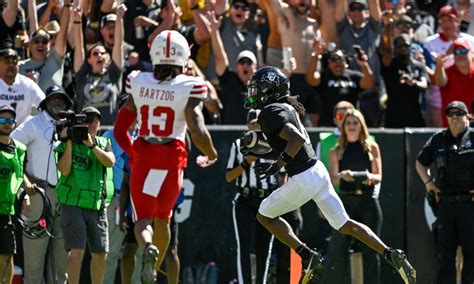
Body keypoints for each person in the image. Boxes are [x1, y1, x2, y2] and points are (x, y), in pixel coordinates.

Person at [244, 66, 415, 284]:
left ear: (271, 90)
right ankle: (391, 253)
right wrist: (268, 152)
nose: (254, 93)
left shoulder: (270, 112)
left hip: (303, 177)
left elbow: (295, 139)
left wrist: (277, 165)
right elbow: (287, 141)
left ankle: (307, 256)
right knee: (345, 225)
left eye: (259, 88)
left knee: (264, 215)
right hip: (318, 171)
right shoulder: (285, 107)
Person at [113, 30, 218, 284]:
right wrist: (211, 153)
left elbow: (119, 130)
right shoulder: (190, 85)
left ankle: (148, 246)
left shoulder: (138, 80)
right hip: (173, 156)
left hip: (145, 153)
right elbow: (196, 127)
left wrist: (134, 154)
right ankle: (156, 262)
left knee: (143, 220)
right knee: (164, 220)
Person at [11, 85, 72, 284]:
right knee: (34, 261)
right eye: (53, 98)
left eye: (61, 99)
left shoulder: (70, 127)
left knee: (61, 263)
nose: (57, 102)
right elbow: (10, 148)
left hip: (66, 196)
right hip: (39, 195)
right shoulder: (33, 123)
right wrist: (27, 180)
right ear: (45, 102)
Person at [415, 100, 474, 283]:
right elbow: (420, 163)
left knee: (472, 256)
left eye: (459, 113)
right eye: (450, 114)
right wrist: (428, 183)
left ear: (468, 116)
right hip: (446, 205)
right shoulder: (438, 138)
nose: (454, 117)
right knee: (445, 258)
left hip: (470, 205)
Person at [55, 106, 115, 284]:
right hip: (72, 203)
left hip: (97, 204)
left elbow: (110, 162)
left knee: (100, 252)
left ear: (99, 124)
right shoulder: (66, 143)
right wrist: (69, 143)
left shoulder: (103, 143)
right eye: (86, 120)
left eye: (93, 121)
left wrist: (92, 145)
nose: (89, 125)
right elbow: (64, 170)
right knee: (77, 250)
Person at [324, 109, 383, 284]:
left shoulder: (372, 148)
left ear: (361, 126)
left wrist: (362, 176)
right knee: (339, 250)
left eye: (355, 123)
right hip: (346, 203)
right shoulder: (336, 151)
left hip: (368, 201)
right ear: (343, 127)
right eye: (348, 123)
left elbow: (379, 177)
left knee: (371, 251)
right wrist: (343, 175)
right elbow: (333, 180)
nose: (351, 126)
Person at [225, 109, 275, 283]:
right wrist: (247, 161)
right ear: (247, 125)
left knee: (264, 248)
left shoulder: (274, 143)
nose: (256, 126)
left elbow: (283, 175)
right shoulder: (239, 144)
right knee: (244, 248)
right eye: (253, 123)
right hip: (246, 199)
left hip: (268, 200)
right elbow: (229, 176)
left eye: (259, 123)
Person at [0, 105, 35, 284]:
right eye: (2, 120)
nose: (6, 123)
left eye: (9, 120)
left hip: (9, 210)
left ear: (15, 124)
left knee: (7, 256)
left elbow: (20, 175)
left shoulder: (20, 149)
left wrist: (26, 192)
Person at [379, 33, 428, 128]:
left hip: (414, 116)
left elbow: (424, 84)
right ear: (395, 48)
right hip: (393, 117)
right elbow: (386, 51)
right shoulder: (390, 64)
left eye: (406, 45)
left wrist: (412, 82)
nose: (403, 48)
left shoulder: (419, 66)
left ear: (411, 46)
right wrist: (387, 27)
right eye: (399, 46)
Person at [434, 38, 474, 127]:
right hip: (453, 128)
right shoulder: (448, 72)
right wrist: (439, 65)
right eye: (456, 52)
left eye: (463, 50)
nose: (460, 55)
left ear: (471, 53)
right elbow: (441, 82)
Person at [0, 48, 45, 124]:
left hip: (22, 132)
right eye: (7, 61)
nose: (11, 65)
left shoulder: (27, 83)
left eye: (14, 61)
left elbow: (45, 105)